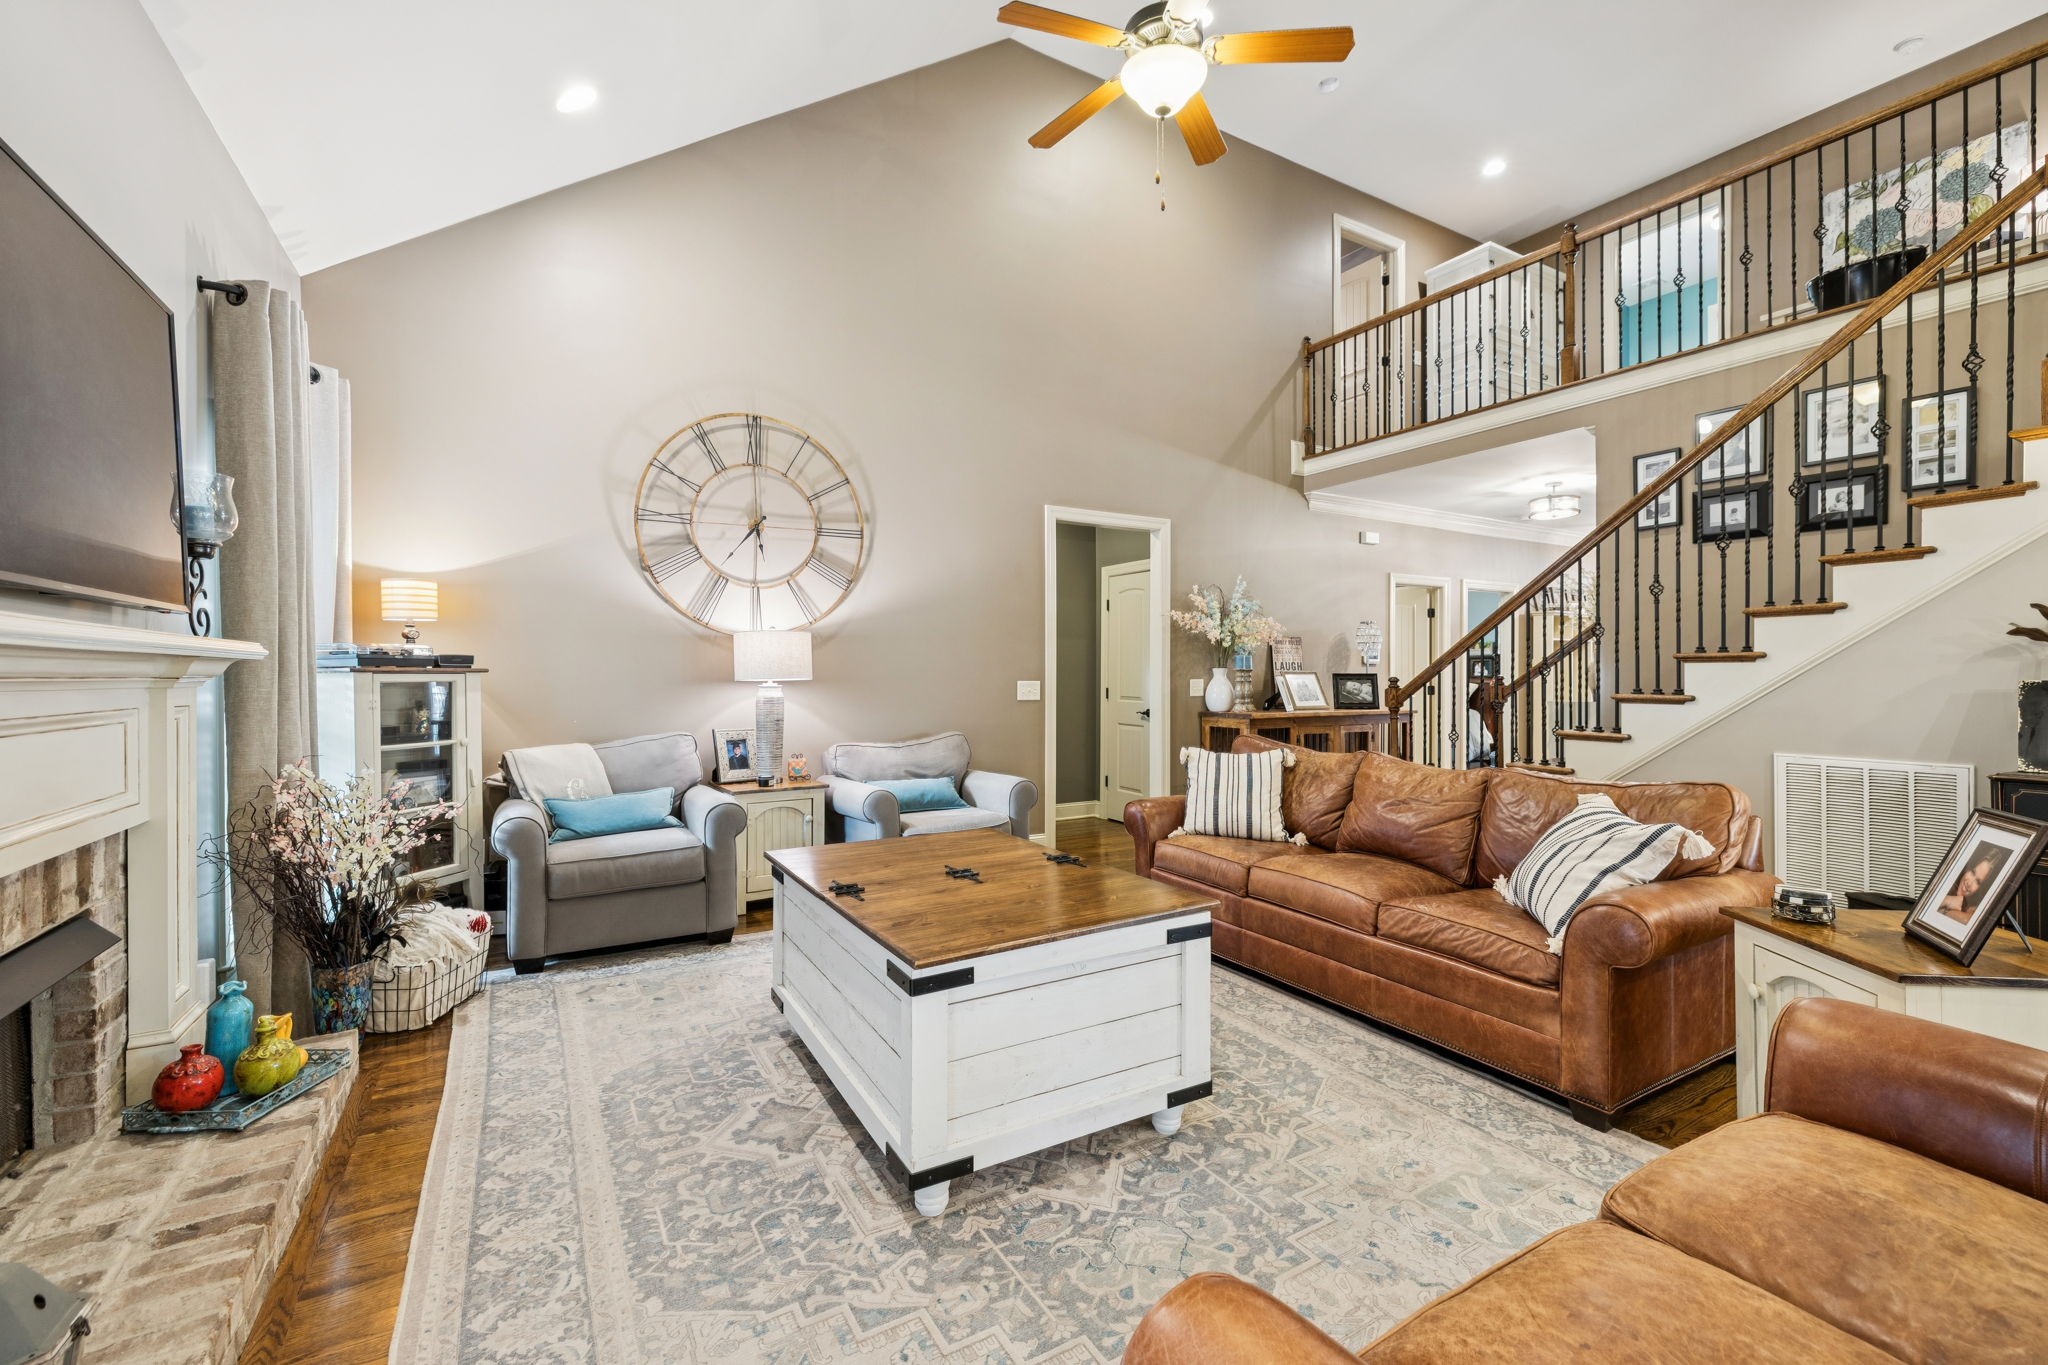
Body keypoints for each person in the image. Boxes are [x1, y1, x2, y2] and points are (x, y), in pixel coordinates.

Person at [1939, 844, 2011, 926]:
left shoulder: (1974, 908)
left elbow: (1967, 920)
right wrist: (1948, 900)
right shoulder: (1945, 881)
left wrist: (1945, 908)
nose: (1969, 883)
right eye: (1972, 872)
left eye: (1978, 882)